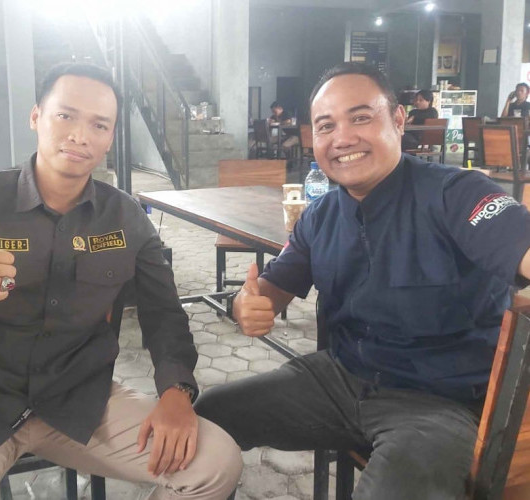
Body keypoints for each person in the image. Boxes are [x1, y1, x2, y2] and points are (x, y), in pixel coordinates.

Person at [0, 63, 242, 500]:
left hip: (81, 402)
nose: (80, 135)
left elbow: (164, 315)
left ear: (110, 137)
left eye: (99, 125)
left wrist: (176, 390)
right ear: (36, 116)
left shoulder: (125, 218)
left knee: (217, 462)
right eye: (65, 115)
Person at [195, 62, 530, 500]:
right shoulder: (319, 216)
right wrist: (246, 304)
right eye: (326, 126)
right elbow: (270, 290)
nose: (343, 138)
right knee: (206, 418)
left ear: (398, 120)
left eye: (360, 117)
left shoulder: (456, 192)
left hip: (438, 405)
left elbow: (517, 243)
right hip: (341, 378)